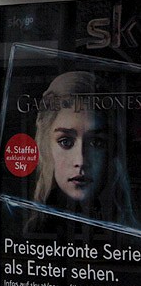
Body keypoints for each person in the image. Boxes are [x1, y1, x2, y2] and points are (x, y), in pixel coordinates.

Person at [27, 71, 138, 233]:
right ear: (46, 146)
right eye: (66, 142)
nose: (81, 161)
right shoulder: (30, 230)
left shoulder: (126, 232)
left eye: (96, 143)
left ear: (112, 150)